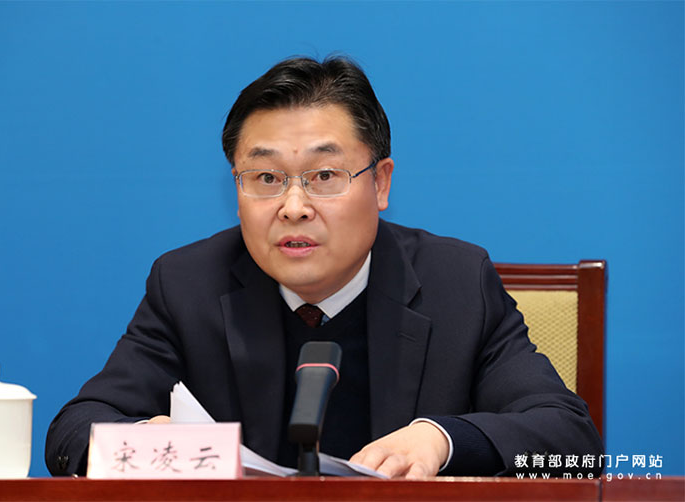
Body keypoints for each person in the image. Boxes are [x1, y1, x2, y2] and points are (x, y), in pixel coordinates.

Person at [46, 55, 603, 479]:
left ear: (380, 183)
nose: (293, 206)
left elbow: (572, 442)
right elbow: (72, 432)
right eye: (266, 178)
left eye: (324, 176)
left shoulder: (457, 283)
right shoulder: (188, 285)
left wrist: (442, 439)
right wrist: (144, 441)